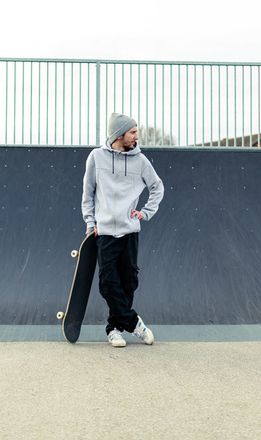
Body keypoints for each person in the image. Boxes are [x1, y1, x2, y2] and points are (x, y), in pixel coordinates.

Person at [81, 112, 164, 347]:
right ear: (119, 135)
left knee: (128, 281)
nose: (137, 136)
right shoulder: (96, 158)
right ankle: (132, 322)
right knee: (108, 283)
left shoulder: (140, 161)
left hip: (129, 231)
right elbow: (88, 194)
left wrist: (145, 212)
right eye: (133, 132)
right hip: (104, 232)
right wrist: (91, 223)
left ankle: (115, 328)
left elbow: (157, 187)